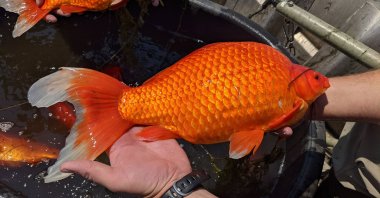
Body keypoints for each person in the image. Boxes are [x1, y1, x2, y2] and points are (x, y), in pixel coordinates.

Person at [34, 2, 380, 196]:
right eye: (317, 80)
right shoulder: (284, 82)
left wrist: (170, 188)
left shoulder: (282, 78)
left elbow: (248, 138)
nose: (323, 84)